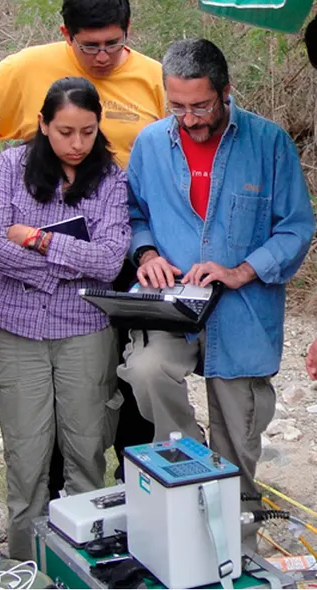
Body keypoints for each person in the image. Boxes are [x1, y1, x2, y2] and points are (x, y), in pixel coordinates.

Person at [120, 38, 315, 550]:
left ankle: (237, 538)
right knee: (145, 369)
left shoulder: (268, 143)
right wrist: (146, 255)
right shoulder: (149, 143)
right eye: (177, 106)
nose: (188, 118)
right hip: (174, 303)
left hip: (244, 308)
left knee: (239, 428)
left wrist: (242, 270)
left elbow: (295, 227)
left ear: (226, 92)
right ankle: (190, 462)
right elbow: (133, 213)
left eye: (200, 105)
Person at [0, 0, 162, 496]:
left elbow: (103, 260)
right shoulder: (27, 68)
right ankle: (40, 532)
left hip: (121, 255)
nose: (102, 55)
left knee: (106, 407)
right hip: (26, 292)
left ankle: (115, 508)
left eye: (113, 44)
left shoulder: (156, 79)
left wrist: (37, 241)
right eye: (89, 45)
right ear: (66, 34)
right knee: (32, 437)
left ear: (128, 31)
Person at [0, 77, 131, 560]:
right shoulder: (11, 167)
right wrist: (67, 264)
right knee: (26, 462)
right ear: (43, 124)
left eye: (88, 131)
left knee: (86, 455)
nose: (77, 144)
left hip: (84, 332)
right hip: (16, 331)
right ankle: (28, 567)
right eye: (65, 131)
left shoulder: (111, 178)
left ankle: (85, 565)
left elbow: (109, 261)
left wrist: (39, 241)